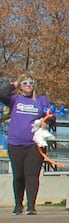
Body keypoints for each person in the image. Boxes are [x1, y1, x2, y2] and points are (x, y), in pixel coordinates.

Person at [0, 74, 51, 215]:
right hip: (15, 143)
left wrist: (46, 122)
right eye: (25, 83)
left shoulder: (41, 100)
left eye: (31, 82)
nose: (28, 85)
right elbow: (2, 94)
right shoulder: (15, 99)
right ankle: (18, 204)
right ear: (20, 86)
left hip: (34, 144)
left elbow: (51, 116)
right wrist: (14, 84)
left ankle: (31, 206)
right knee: (18, 175)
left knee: (32, 175)